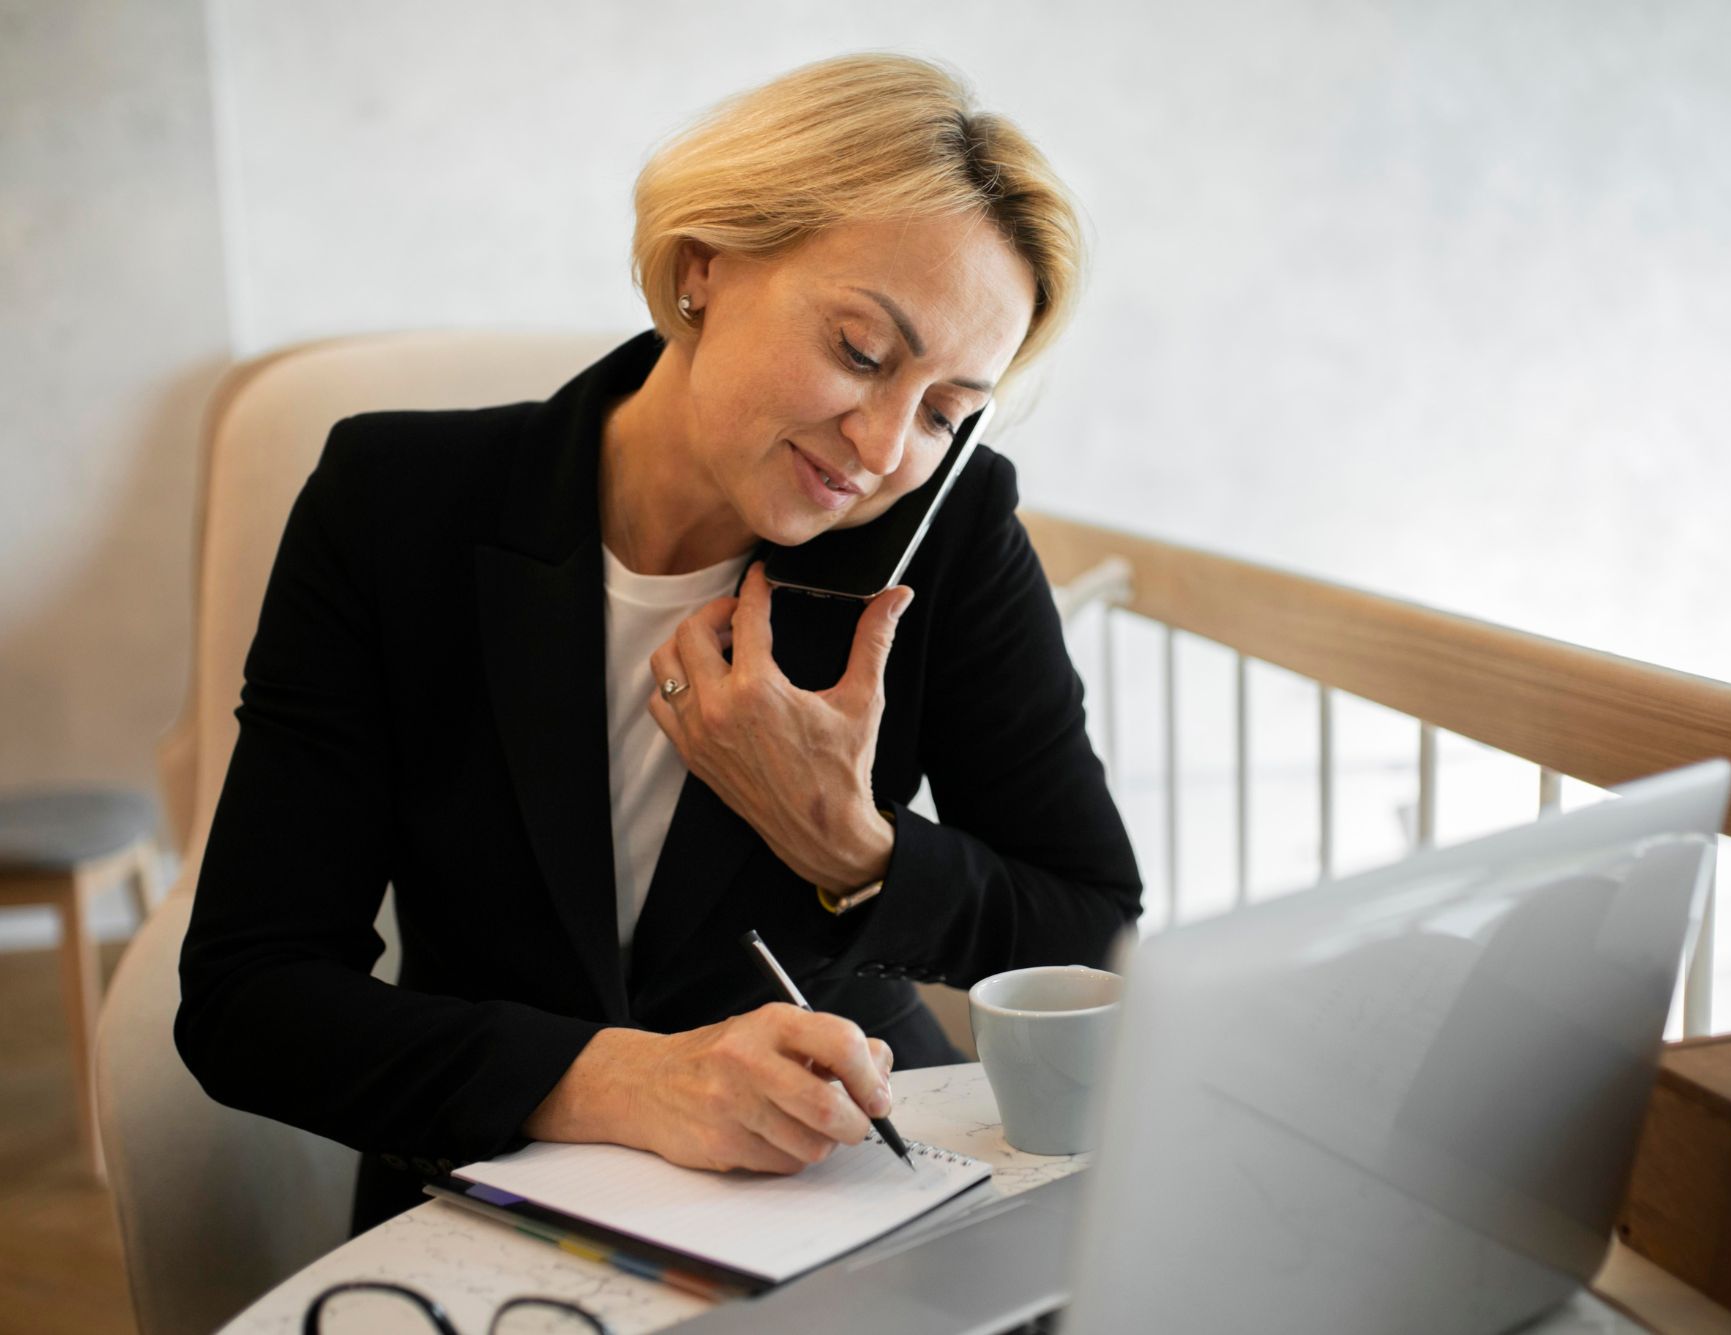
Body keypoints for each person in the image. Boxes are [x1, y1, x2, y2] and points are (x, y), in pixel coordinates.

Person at [174, 53, 1142, 1233]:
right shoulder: (392, 505)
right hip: (496, 1189)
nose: (886, 446)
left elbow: (1092, 927)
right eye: (859, 350)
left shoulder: (947, 534)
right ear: (701, 268)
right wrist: (627, 1082)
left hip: (846, 1176)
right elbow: (246, 997)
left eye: (944, 409)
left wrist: (851, 846)